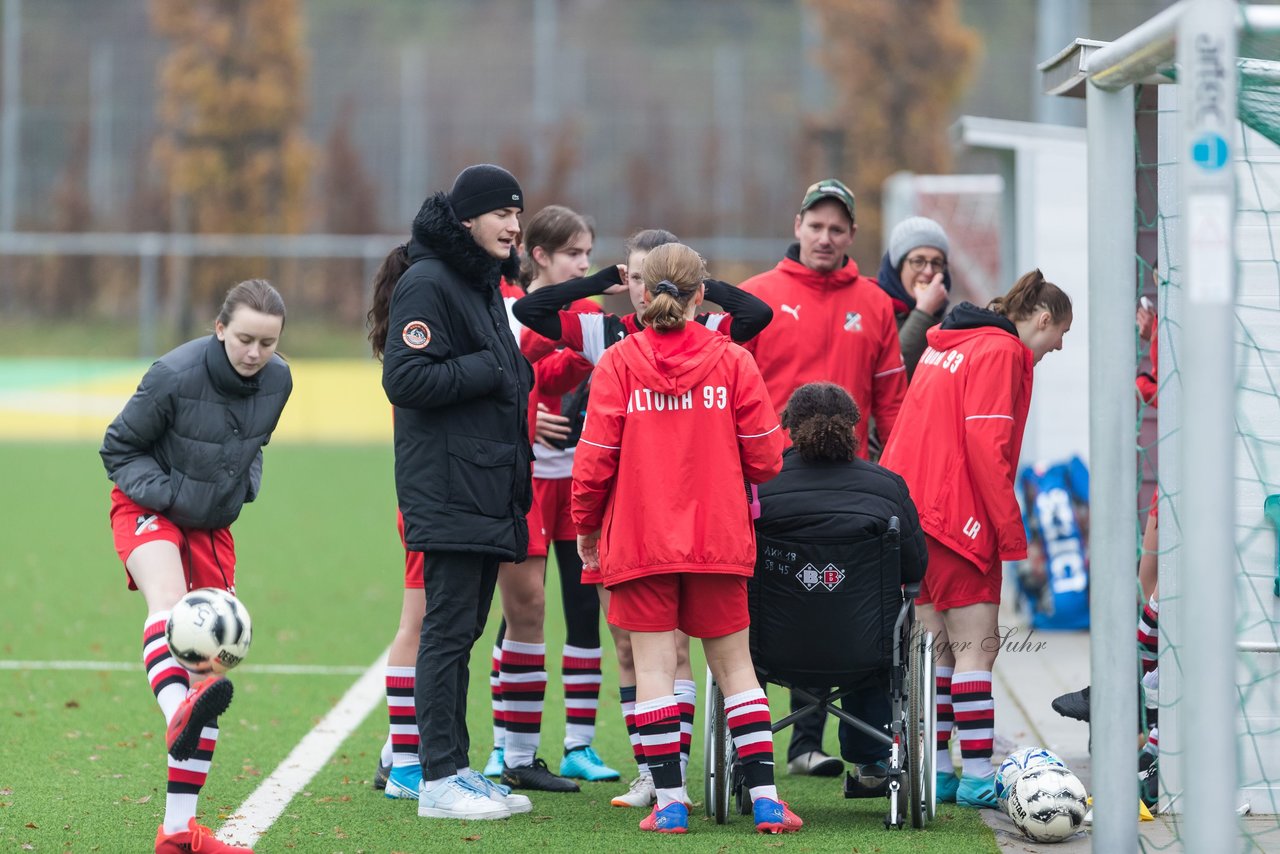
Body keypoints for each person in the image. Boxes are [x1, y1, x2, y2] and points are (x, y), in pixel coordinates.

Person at [515, 227, 774, 806]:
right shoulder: (605, 333)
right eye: (627, 277)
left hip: (639, 530)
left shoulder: (704, 336)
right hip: (692, 530)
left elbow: (757, 313)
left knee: (666, 656)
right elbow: (533, 308)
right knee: (646, 652)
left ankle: (668, 787)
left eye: (643, 277)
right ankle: (684, 782)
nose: (634, 288)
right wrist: (599, 281)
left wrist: (698, 290)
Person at [572, 242, 802, 835]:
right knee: (736, 668)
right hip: (719, 539)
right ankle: (768, 800)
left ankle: (670, 803)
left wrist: (586, 528)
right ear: (703, 295)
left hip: (641, 541)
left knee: (652, 671)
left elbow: (593, 463)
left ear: (643, 295)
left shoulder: (619, 363)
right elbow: (769, 459)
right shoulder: (733, 361)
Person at [100, 279, 293, 854]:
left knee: (210, 666)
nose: (255, 353)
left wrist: (239, 492)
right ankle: (175, 707)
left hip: (213, 525)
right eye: (243, 339)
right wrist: (171, 498)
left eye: (267, 342)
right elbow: (118, 448)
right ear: (219, 328)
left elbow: (251, 446)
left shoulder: (280, 380)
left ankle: (178, 834)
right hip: (147, 505)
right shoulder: (173, 374)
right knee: (170, 602)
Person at [379, 163, 538, 821]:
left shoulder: (475, 281)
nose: (513, 225)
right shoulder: (427, 281)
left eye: (517, 214)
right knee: (446, 631)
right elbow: (406, 380)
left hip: (482, 486)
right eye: (502, 213)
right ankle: (437, 779)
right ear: (467, 218)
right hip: (447, 487)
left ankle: (458, 767)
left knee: (466, 628)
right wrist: (489, 370)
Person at [879, 269, 1072, 808]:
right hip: (959, 516)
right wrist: (1011, 533)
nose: (1056, 347)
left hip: (911, 513)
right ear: (1042, 317)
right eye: (1061, 335)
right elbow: (988, 446)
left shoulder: (951, 343)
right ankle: (978, 776)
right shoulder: (1002, 351)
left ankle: (941, 772)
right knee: (975, 653)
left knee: (939, 653)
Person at [738, 178, 908, 777]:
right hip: (778, 477)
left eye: (837, 228)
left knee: (857, 595)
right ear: (797, 225)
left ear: (852, 236)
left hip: (853, 483)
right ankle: (803, 743)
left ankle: (865, 750)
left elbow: (892, 399)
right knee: (787, 592)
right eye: (816, 226)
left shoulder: (875, 302)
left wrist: (892, 478)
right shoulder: (757, 298)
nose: (825, 237)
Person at [483, 204, 610, 792]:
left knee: (585, 613)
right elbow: (519, 375)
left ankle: (580, 744)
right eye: (573, 255)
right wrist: (530, 418)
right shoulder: (507, 306)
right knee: (523, 609)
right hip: (528, 480)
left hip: (582, 480)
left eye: (588, 254)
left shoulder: (589, 310)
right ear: (539, 256)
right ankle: (504, 745)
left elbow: (576, 375)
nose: (584, 265)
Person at [753, 382, 927, 800]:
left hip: (773, 648)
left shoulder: (759, 486)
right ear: (854, 425)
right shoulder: (887, 487)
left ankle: (750, 758)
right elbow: (915, 568)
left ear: (787, 428)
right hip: (864, 649)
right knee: (882, 620)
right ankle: (871, 759)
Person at [876, 216, 952, 379]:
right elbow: (893, 374)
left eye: (937, 263)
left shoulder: (950, 322)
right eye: (918, 261)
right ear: (898, 267)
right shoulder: (876, 312)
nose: (928, 271)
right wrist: (924, 311)